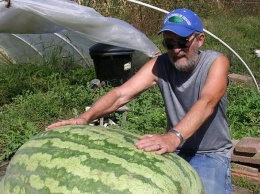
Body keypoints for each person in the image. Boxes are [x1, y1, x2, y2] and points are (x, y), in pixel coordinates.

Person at [46, 8, 232, 194]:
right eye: (169, 43)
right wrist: (85, 118)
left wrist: (172, 137)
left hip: (210, 154)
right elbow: (120, 95)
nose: (176, 50)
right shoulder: (160, 64)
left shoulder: (216, 62)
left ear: (200, 39)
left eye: (182, 42)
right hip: (173, 150)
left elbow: (207, 102)